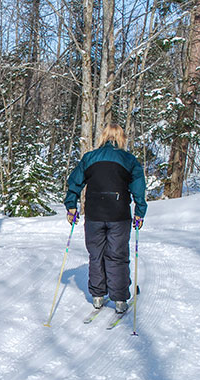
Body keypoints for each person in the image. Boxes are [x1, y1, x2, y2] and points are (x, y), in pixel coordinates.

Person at [64, 124, 147, 314]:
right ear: (121, 138)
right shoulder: (129, 159)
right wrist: (140, 211)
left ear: (103, 137)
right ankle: (119, 299)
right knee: (117, 255)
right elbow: (138, 188)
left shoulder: (90, 158)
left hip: (94, 215)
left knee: (96, 255)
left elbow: (75, 182)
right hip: (119, 215)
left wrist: (71, 206)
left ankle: (98, 296)